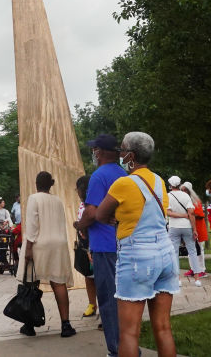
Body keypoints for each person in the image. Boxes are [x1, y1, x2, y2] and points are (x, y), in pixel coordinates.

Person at [96, 132, 177, 357]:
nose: (120, 154)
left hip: (137, 257)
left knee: (129, 333)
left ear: (130, 155)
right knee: (163, 327)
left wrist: (115, 217)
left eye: (122, 150)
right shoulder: (160, 181)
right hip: (166, 254)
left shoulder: (123, 183)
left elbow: (101, 215)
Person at [75, 134, 126, 357]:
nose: (93, 153)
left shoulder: (99, 176)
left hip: (104, 246)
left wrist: (79, 224)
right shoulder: (124, 174)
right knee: (124, 299)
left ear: (100, 152)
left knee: (107, 299)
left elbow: (92, 212)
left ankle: (116, 350)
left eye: (94, 149)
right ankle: (129, 347)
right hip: (122, 243)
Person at [18, 172, 75, 338]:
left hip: (39, 244)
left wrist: (28, 247)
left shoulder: (34, 198)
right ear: (50, 185)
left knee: (31, 282)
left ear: (36, 184)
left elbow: (32, 225)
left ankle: (29, 325)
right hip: (58, 244)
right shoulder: (57, 200)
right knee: (58, 283)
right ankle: (66, 324)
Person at [165, 176, 202, 285]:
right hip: (187, 226)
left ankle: (177, 279)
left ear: (170, 185)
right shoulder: (186, 195)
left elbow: (168, 212)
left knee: (174, 253)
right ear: (180, 184)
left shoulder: (168, 196)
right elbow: (191, 213)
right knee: (192, 251)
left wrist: (181, 215)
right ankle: (197, 278)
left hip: (173, 227)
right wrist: (194, 229)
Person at [74, 175, 97, 318]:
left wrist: (79, 225)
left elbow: (90, 220)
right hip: (85, 244)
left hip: (95, 243)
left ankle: (106, 308)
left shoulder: (93, 202)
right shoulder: (82, 204)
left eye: (77, 189)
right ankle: (92, 304)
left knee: (101, 277)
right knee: (88, 276)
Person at [184, 183, 209, 277]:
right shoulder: (186, 200)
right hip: (188, 228)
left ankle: (202, 270)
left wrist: (188, 215)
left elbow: (199, 215)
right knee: (190, 250)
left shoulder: (195, 201)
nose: (182, 192)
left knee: (199, 249)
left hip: (198, 228)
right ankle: (193, 269)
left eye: (184, 190)